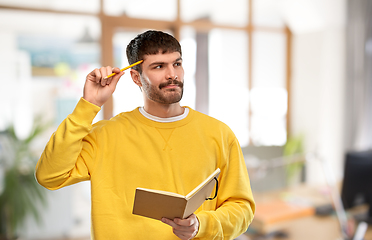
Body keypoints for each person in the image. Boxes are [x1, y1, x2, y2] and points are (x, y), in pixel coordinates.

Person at [36, 30, 255, 240]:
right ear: (136, 77)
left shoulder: (219, 134)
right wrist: (89, 105)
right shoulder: (105, 136)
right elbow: (50, 176)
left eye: (177, 63)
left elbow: (242, 209)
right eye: (159, 66)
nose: (172, 74)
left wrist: (201, 225)